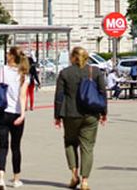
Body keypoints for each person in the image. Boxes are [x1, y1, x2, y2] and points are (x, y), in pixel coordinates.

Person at [54, 47, 108, 190]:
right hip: (91, 114)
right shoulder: (95, 71)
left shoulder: (65, 73)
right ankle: (85, 181)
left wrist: (57, 116)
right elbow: (103, 93)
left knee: (70, 143)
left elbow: (59, 96)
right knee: (87, 147)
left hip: (70, 114)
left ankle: (74, 174)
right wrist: (104, 113)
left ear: (72, 57)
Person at [0, 46, 30, 190]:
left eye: (7, 53)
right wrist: (23, 114)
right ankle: (16, 179)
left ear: (11, 56)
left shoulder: (0, 70)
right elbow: (23, 96)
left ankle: (1, 178)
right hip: (16, 113)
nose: (6, 55)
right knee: (16, 147)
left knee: (2, 146)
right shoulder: (23, 74)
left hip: (0, 113)